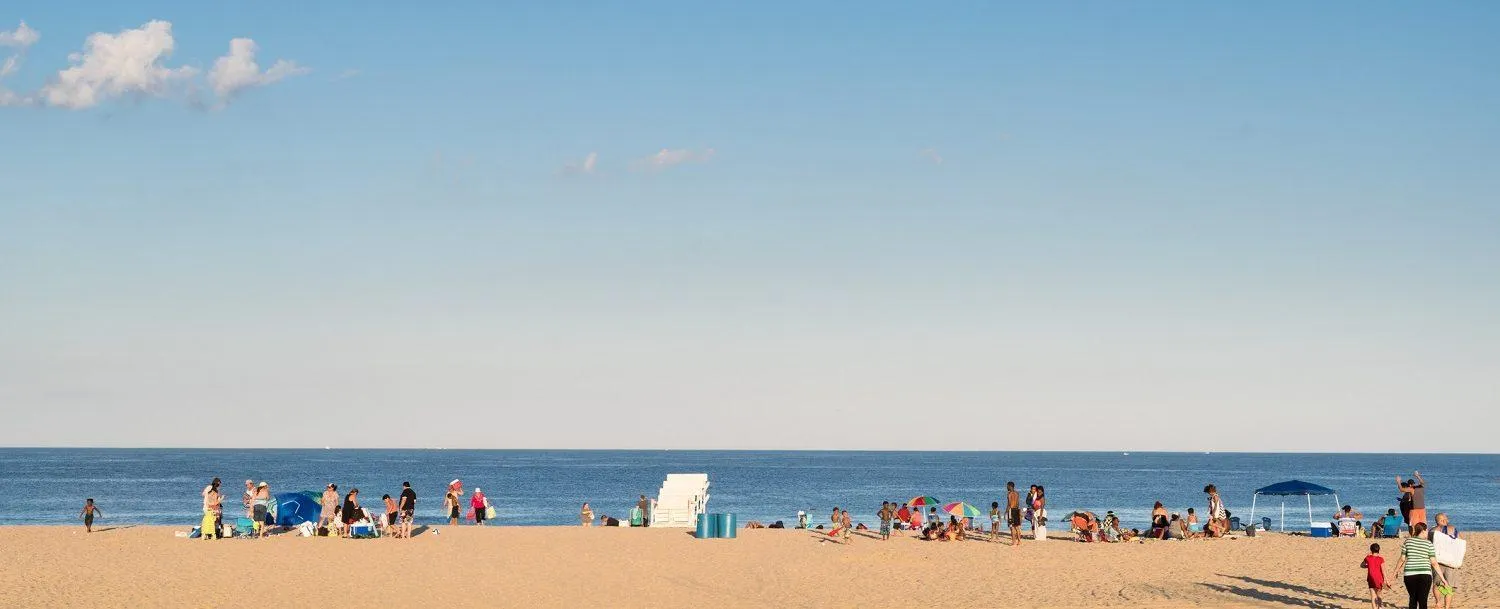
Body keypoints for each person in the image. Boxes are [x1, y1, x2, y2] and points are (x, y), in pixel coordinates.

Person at [1396, 523, 1448, 609]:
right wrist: (1443, 579)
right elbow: (1434, 563)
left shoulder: (1408, 541)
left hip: (1409, 574)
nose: (1427, 532)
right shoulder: (1428, 544)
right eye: (1427, 530)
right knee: (1423, 600)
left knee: (1413, 598)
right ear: (1423, 530)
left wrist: (1395, 572)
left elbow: (1402, 559)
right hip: (1425, 574)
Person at [1429, 513, 1460, 609]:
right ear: (1442, 520)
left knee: (1436, 583)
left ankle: (1438, 603)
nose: (1448, 520)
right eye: (1446, 518)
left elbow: (1429, 545)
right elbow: (1459, 542)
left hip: (1437, 560)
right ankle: (1447, 606)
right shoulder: (1452, 528)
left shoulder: (1432, 531)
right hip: (1450, 560)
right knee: (1449, 585)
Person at [1363, 542, 1391, 609]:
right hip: (1379, 579)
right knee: (1379, 596)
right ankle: (1380, 608)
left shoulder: (1368, 558)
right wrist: (1387, 581)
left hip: (1371, 579)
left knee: (1373, 597)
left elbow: (1362, 565)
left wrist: (1368, 565)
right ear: (1379, 550)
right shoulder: (1381, 559)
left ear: (1371, 550)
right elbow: (1384, 570)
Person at [1006, 481, 1021, 546]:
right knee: (1017, 527)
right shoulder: (1017, 493)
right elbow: (1017, 503)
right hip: (1016, 510)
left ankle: (1013, 542)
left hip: (1011, 510)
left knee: (1012, 527)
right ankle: (1019, 541)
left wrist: (1005, 512)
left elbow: (1009, 504)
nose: (1006, 487)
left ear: (1010, 486)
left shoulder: (1009, 494)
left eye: (1007, 486)